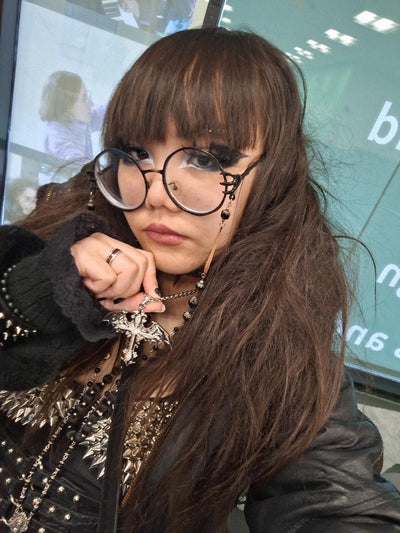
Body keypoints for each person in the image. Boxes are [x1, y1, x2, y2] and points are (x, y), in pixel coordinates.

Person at [1, 28, 400, 533]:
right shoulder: (62, 231)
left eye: (209, 159)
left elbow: (336, 505)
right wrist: (44, 285)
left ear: (273, 173)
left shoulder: (279, 349)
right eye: (137, 152)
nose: (157, 192)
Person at [39, 71, 106, 162]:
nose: (91, 104)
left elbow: (104, 113)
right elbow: (73, 160)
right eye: (84, 99)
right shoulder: (56, 134)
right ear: (66, 106)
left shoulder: (79, 120)